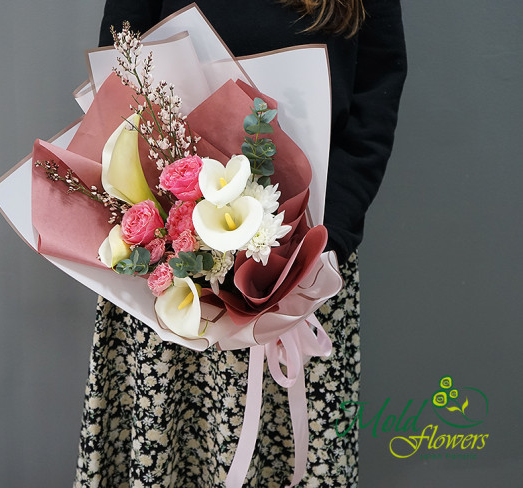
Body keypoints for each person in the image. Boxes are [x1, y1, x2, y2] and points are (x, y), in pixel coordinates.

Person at [74, 1, 407, 486]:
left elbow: (375, 98)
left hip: (304, 264)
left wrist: (324, 238)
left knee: (294, 449)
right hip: (173, 272)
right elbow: (121, 78)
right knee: (166, 448)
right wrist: (168, 225)